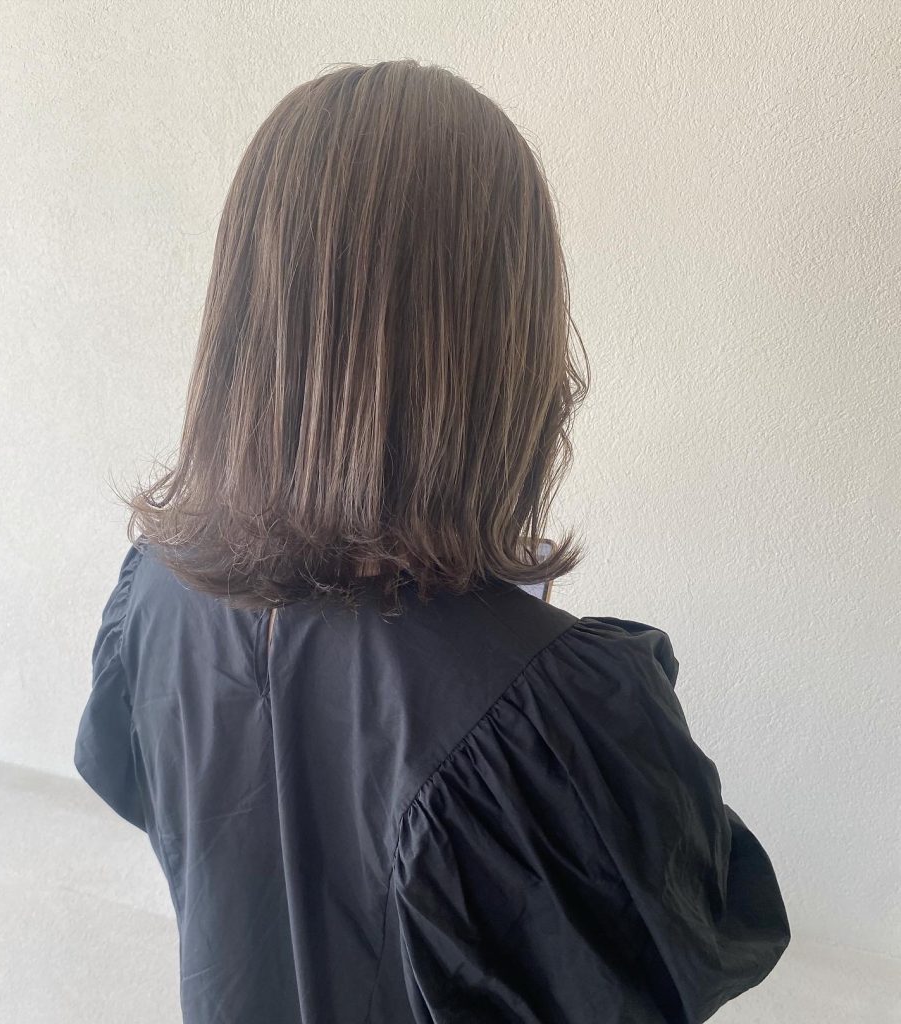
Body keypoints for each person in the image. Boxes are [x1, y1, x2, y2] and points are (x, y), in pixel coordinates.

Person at [74, 59, 789, 1024]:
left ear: (251, 316)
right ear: (501, 340)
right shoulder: (551, 715)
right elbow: (681, 940)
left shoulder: (153, 597)